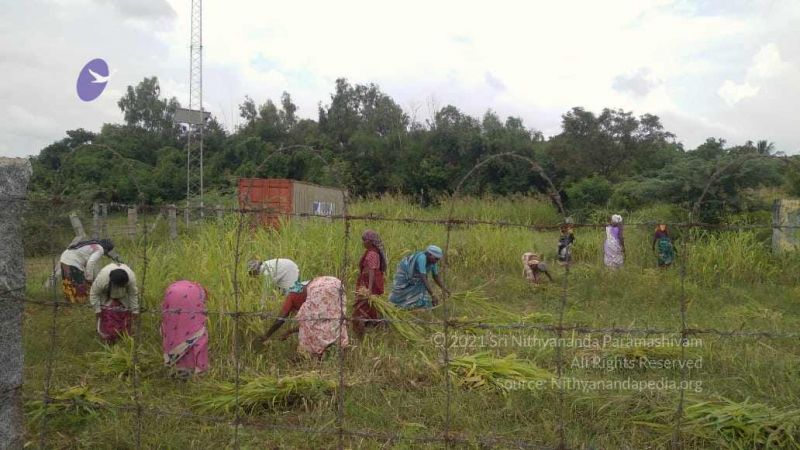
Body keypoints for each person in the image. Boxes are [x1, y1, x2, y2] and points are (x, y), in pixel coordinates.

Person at [261, 276, 349, 358]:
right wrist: (289, 331)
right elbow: (307, 324)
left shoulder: (291, 296)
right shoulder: (300, 290)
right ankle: (339, 348)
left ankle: (310, 354)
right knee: (335, 318)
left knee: (313, 330)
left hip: (318, 288)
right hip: (335, 283)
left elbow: (280, 320)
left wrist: (266, 335)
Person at [161, 280, 209, 379]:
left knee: (174, 330)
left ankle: (177, 366)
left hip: (171, 296)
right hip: (189, 301)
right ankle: (198, 369)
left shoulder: (188, 286)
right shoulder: (199, 292)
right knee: (198, 333)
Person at [89, 262, 139, 344]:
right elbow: (94, 293)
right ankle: (109, 341)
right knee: (109, 322)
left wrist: (135, 310)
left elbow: (133, 294)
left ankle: (124, 340)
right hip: (107, 299)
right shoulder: (103, 279)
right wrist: (97, 310)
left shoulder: (131, 278)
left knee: (126, 321)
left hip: (123, 299)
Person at [59, 239, 120, 304]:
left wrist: (86, 274)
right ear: (106, 248)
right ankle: (81, 304)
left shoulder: (93, 244)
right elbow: (90, 263)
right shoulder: (100, 249)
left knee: (68, 282)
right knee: (80, 285)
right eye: (108, 251)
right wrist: (89, 278)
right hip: (73, 262)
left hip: (64, 258)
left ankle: (70, 302)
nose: (105, 253)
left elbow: (85, 260)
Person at [389, 245, 450, 309]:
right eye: (436, 258)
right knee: (402, 291)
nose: (437, 261)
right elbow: (423, 278)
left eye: (438, 259)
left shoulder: (433, 263)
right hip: (404, 274)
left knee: (420, 286)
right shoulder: (422, 258)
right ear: (429, 254)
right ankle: (396, 305)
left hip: (417, 276)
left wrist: (446, 290)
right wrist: (433, 295)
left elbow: (436, 277)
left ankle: (415, 305)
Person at [353, 230, 387, 337]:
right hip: (367, 280)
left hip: (369, 282)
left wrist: (369, 288)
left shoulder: (372, 253)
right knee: (368, 303)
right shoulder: (372, 251)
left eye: (365, 240)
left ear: (371, 242)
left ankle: (366, 322)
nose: (363, 243)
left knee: (365, 302)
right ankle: (371, 321)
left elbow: (372, 271)